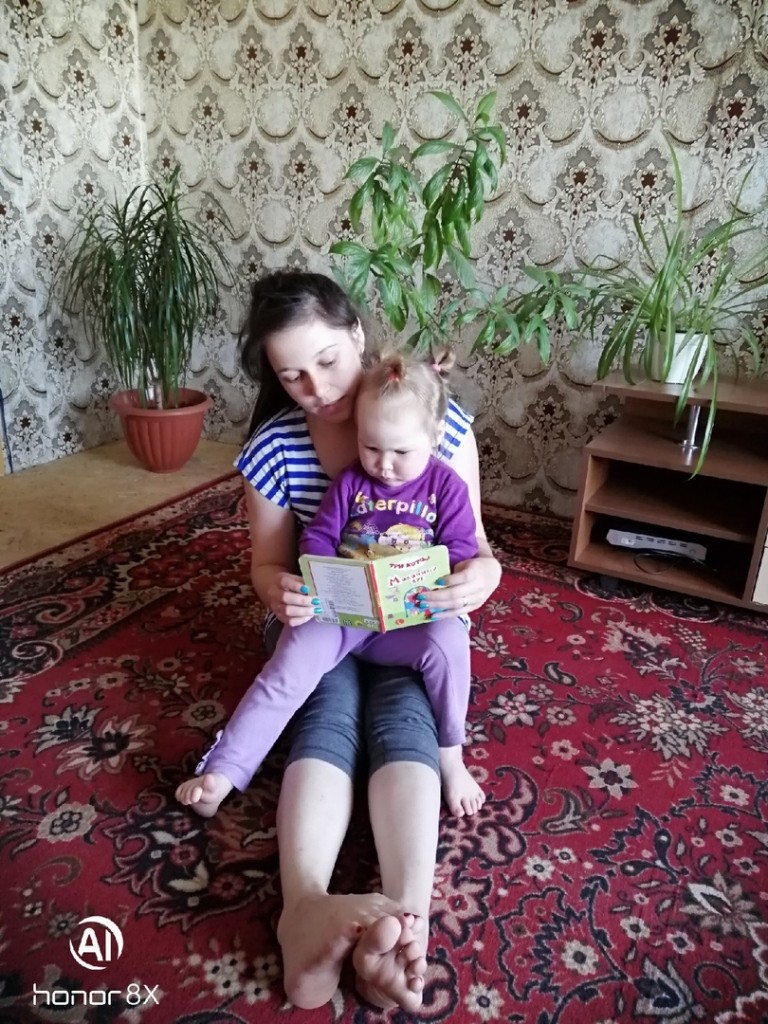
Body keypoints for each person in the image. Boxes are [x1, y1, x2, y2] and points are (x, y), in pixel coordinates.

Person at [179, 271, 501, 1012]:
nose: (315, 387)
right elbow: (271, 563)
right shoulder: (276, 448)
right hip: (325, 614)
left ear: (357, 333)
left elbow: (474, 547)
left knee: (407, 711)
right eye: (291, 375)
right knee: (325, 703)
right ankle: (305, 909)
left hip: (413, 620)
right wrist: (281, 590)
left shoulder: (438, 423)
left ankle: (405, 928)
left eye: (326, 360)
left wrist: (479, 578)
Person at [176, 349, 484, 822]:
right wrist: (320, 571)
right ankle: (225, 768)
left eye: (401, 452)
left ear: (435, 436)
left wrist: (455, 579)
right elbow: (318, 536)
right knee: (288, 666)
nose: (384, 465)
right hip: (346, 613)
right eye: (371, 447)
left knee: (450, 646)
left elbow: (462, 547)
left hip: (410, 621)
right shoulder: (351, 482)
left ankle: (451, 756)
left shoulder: (446, 487)